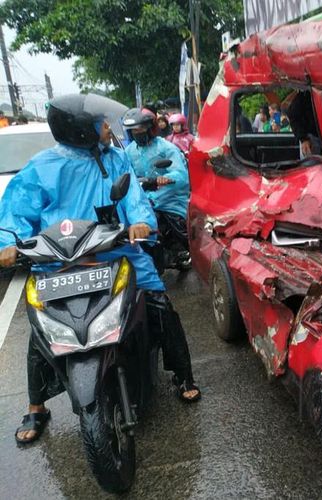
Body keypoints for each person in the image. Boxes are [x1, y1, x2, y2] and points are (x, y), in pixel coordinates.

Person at [0, 94, 201, 445]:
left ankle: (183, 374)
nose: (107, 128)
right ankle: (36, 405)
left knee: (159, 303)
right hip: (59, 262)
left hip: (116, 250)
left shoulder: (116, 158)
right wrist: (7, 242)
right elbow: (17, 210)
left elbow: (135, 199)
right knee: (39, 333)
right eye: (100, 124)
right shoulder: (42, 167)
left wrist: (140, 222)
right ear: (81, 131)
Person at [123, 108, 191, 269]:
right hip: (143, 200)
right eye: (134, 130)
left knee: (181, 231)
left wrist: (166, 178)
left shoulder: (166, 147)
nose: (137, 133)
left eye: (140, 129)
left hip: (170, 199)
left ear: (150, 128)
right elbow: (124, 174)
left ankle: (183, 249)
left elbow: (181, 175)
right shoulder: (128, 152)